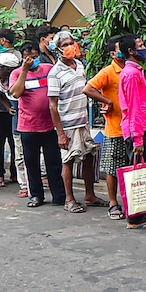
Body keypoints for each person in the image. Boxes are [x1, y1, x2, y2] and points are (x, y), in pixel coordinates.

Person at [48, 31, 105, 211]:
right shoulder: (55, 72)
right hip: (68, 124)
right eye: (64, 45)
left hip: (83, 121)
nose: (69, 47)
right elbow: (52, 106)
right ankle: (69, 199)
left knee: (88, 157)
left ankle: (90, 195)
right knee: (68, 160)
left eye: (71, 43)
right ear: (58, 49)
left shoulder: (79, 65)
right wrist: (60, 133)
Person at [9, 42, 63, 207]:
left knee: (54, 162)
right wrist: (24, 71)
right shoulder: (16, 73)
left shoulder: (48, 69)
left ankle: (59, 196)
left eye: (34, 57)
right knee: (31, 163)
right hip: (28, 126)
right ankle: (36, 195)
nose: (32, 60)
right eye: (28, 58)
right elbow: (16, 93)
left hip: (49, 125)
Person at [84, 36, 132, 221]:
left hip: (132, 128)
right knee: (113, 169)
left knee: (132, 167)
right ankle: (113, 202)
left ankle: (132, 203)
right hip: (115, 128)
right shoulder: (108, 72)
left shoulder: (132, 69)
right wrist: (107, 101)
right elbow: (88, 89)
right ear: (113, 54)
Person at [115, 34, 146, 229]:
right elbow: (133, 108)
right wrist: (138, 139)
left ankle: (139, 213)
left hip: (139, 129)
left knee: (139, 170)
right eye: (139, 46)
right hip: (136, 131)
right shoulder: (132, 74)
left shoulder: (132, 71)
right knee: (137, 172)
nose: (143, 48)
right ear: (131, 51)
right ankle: (134, 218)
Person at [0, 28, 26, 194]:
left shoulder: (18, 58)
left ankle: (15, 174)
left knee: (15, 143)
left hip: (16, 110)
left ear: (3, 40)